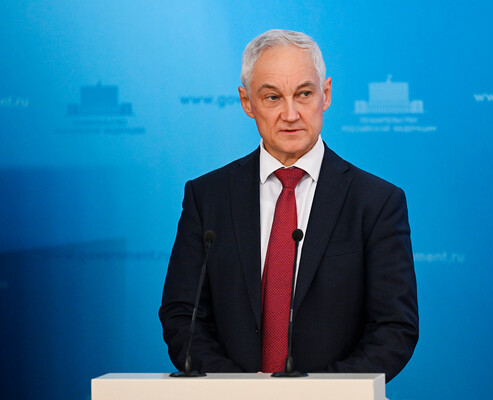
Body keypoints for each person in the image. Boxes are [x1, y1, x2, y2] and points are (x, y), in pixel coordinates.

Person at [159, 29, 418, 382]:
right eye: (272, 97)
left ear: (326, 94)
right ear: (247, 102)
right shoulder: (207, 197)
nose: (291, 114)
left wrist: (317, 392)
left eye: (304, 94)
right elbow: (182, 317)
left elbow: (394, 329)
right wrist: (241, 389)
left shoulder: (376, 202)